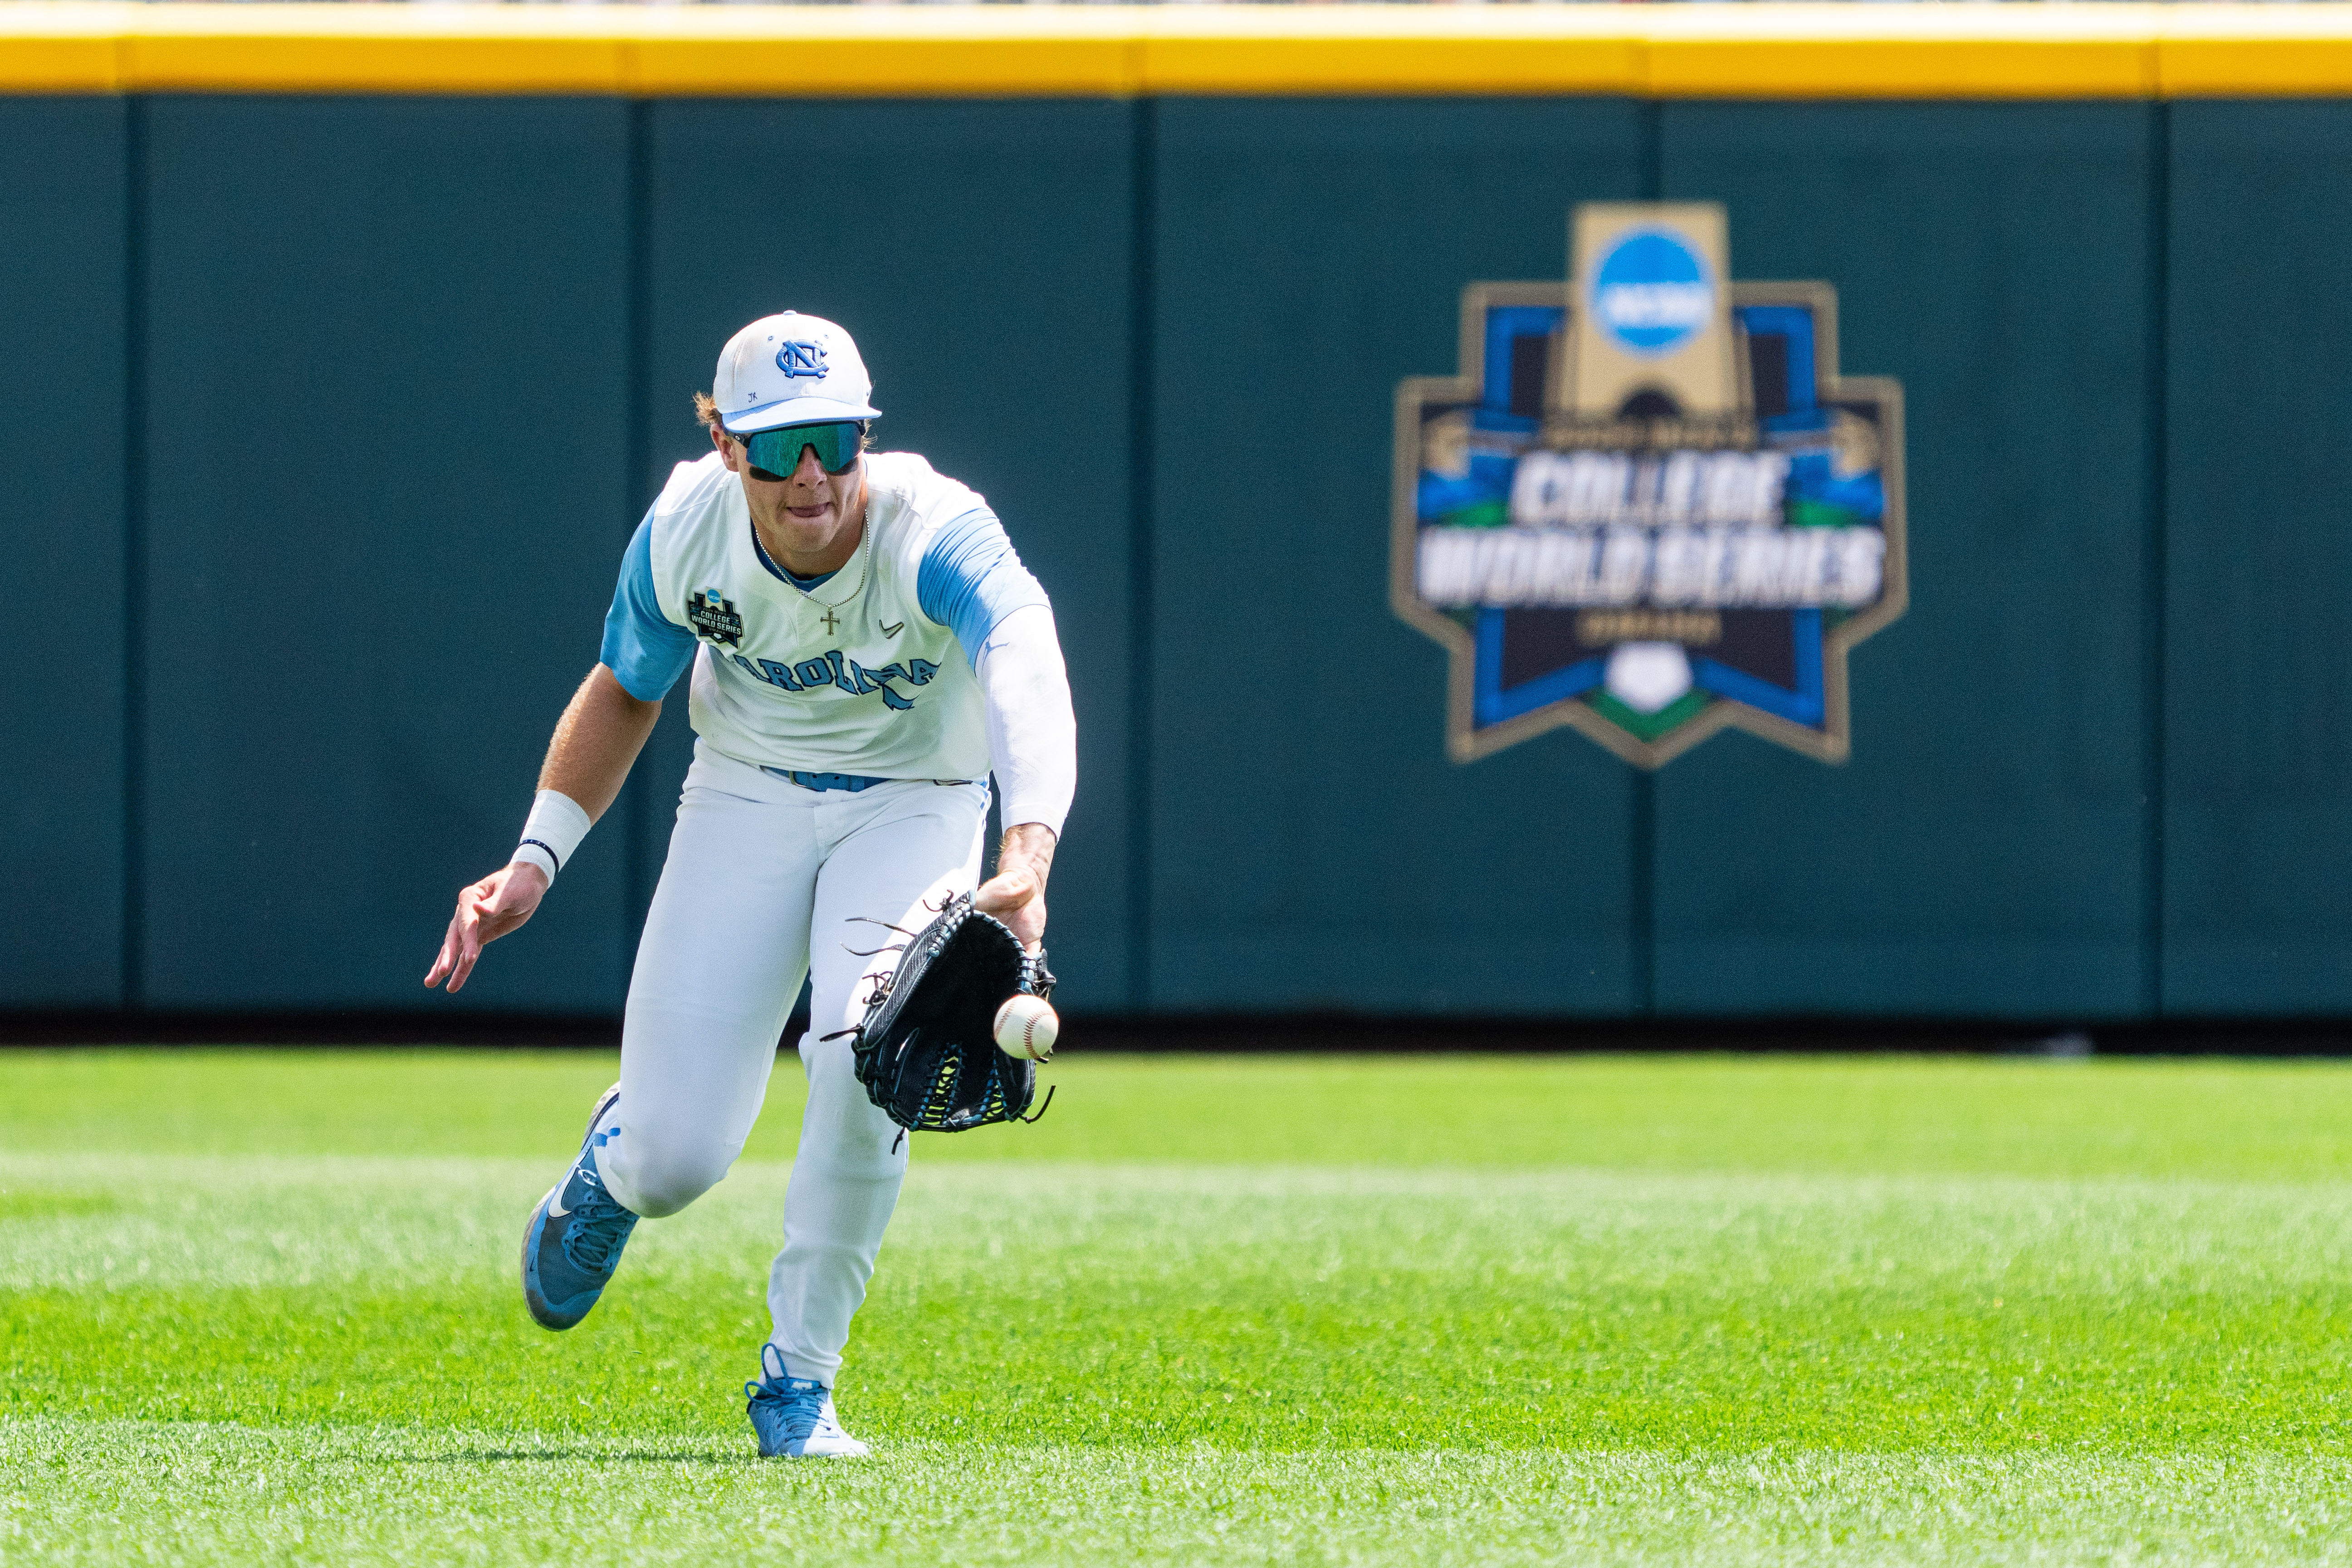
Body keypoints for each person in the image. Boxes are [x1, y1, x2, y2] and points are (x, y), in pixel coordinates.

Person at [423, 311, 1077, 1459]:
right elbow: (627, 686)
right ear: (728, 444)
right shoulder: (686, 530)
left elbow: (1026, 657)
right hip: (746, 790)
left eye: (834, 437)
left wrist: (1026, 852)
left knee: (871, 1062)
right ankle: (613, 1172)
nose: (812, 473)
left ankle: (798, 1385)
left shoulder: (936, 526)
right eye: (779, 445)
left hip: (916, 795)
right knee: (680, 1156)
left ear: (865, 433)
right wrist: (535, 857)